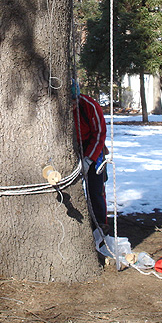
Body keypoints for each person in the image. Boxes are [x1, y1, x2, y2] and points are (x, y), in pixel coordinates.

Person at [71, 80, 108, 231]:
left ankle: (100, 224)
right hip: (72, 147)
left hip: (93, 147)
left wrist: (89, 159)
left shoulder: (90, 106)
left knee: (95, 189)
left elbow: (100, 134)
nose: (72, 105)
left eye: (74, 101)